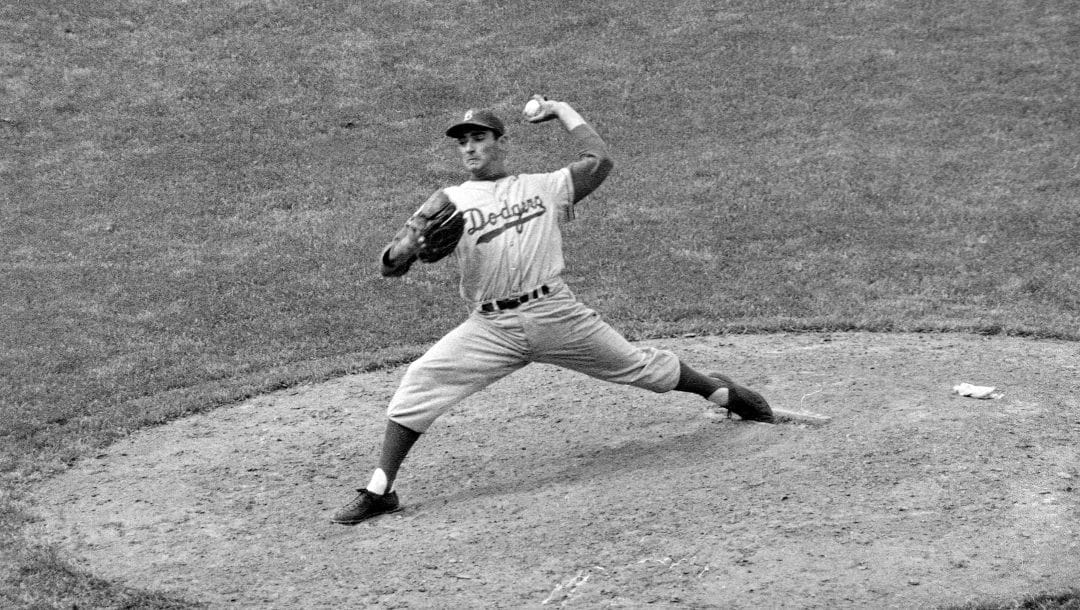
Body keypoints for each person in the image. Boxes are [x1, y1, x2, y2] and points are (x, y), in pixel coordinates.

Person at [331, 97, 773, 525]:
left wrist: (560, 110)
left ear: (499, 141)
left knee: (641, 369)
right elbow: (389, 265)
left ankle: (723, 393)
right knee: (420, 382)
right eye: (461, 140)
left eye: (478, 137)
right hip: (491, 326)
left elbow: (599, 160)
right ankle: (380, 490)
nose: (469, 147)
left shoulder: (544, 186)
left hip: (557, 314)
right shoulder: (450, 200)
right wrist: (403, 250)